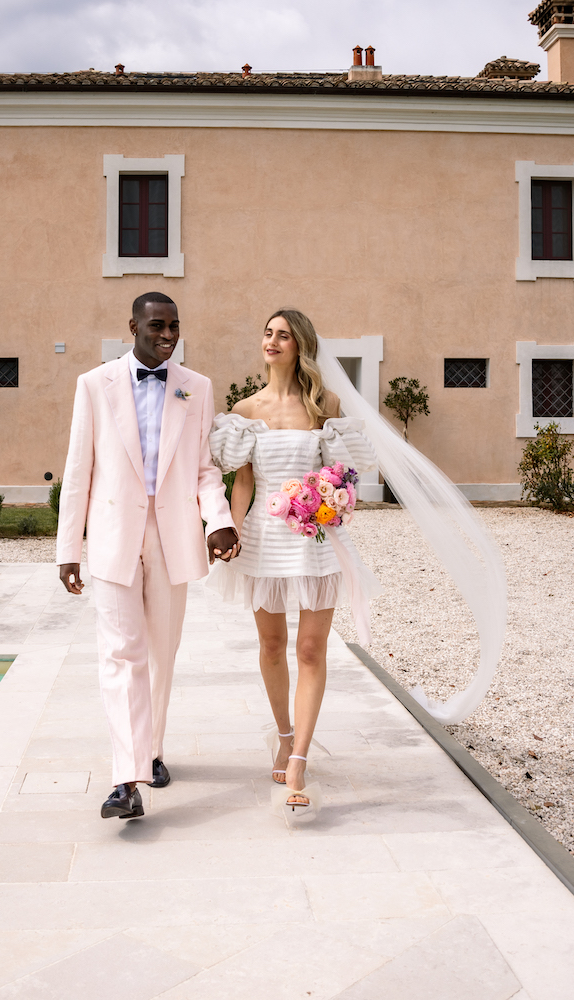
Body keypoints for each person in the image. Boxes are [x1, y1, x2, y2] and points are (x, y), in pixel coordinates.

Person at [56, 291, 240, 820]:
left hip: (173, 536)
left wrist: (218, 521)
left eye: (175, 326)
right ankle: (127, 780)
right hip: (115, 535)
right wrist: (69, 547)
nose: (168, 335)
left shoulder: (196, 388)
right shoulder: (94, 385)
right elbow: (78, 471)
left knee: (160, 654)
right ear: (132, 325)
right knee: (121, 655)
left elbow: (205, 468)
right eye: (157, 325)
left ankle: (151, 749)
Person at [207, 308, 379, 817]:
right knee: (272, 644)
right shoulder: (245, 408)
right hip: (263, 537)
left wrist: (330, 501)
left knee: (309, 648)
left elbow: (344, 476)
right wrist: (232, 529)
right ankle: (282, 734)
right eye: (268, 333)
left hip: (315, 540)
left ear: (300, 345)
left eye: (283, 335)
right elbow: (241, 481)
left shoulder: (325, 404)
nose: (273, 341)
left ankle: (300, 758)